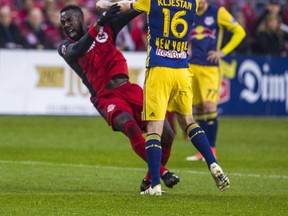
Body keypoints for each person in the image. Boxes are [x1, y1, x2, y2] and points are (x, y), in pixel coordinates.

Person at [96, 0, 230, 195]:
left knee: (154, 129)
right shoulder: (192, 3)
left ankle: (155, 185)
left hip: (159, 70)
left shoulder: (153, 1)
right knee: (188, 121)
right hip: (182, 70)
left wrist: (107, 4)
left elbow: (126, 6)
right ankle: (213, 163)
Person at [58, 4, 179, 192]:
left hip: (128, 89)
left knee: (168, 133)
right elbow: (78, 50)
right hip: (105, 97)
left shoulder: (106, 28)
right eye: (63, 22)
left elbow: (135, 10)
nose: (66, 24)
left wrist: (150, 4)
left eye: (70, 19)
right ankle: (162, 173)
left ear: (81, 18)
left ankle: (149, 180)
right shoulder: (65, 47)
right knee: (130, 127)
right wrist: (98, 24)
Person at [185, 0, 246, 161]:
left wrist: (222, 52)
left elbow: (240, 32)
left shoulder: (218, 12)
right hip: (191, 66)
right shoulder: (188, 11)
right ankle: (202, 152)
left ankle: (212, 150)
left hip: (210, 68)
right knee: (197, 108)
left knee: (209, 106)